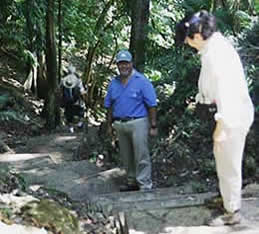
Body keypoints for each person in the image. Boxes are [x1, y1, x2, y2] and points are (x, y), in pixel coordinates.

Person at [175, 10, 254, 226]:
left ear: (197, 36)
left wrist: (222, 125)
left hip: (232, 116)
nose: (189, 44)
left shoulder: (218, 54)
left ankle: (232, 211)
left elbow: (227, 92)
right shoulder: (212, 49)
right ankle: (226, 197)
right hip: (225, 113)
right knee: (222, 160)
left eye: (188, 40)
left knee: (229, 163)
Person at [104, 49, 158, 192]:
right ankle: (131, 181)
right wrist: (109, 125)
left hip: (138, 122)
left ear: (131, 63)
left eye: (126, 63)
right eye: (121, 64)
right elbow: (109, 105)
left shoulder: (142, 81)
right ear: (117, 65)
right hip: (120, 124)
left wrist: (153, 125)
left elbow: (152, 104)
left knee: (141, 155)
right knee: (126, 156)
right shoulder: (113, 83)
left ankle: (145, 185)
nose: (123, 66)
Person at [60, 65, 87, 133]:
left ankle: (70, 128)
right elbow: (81, 91)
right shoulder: (78, 80)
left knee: (68, 114)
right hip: (76, 101)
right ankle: (79, 124)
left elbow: (59, 90)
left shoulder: (63, 80)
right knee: (80, 112)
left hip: (67, 101)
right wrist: (84, 97)